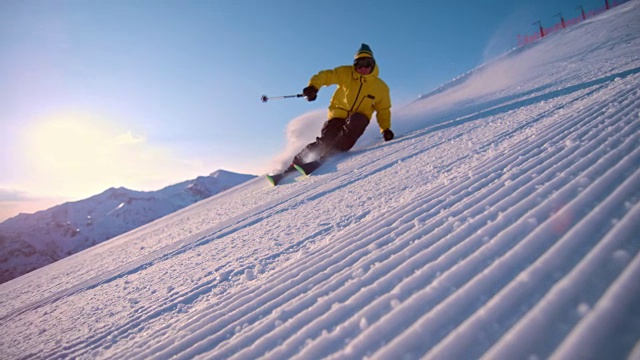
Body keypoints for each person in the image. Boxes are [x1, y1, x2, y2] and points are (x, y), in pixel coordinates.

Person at [291, 43, 394, 168]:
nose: (362, 68)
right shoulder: (346, 73)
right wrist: (313, 87)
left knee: (355, 123)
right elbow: (326, 76)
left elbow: (383, 109)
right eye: (358, 64)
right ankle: (296, 163)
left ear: (373, 64)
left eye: (367, 63)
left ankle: (330, 154)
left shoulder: (380, 87)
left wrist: (385, 129)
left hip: (359, 118)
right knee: (325, 141)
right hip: (337, 115)